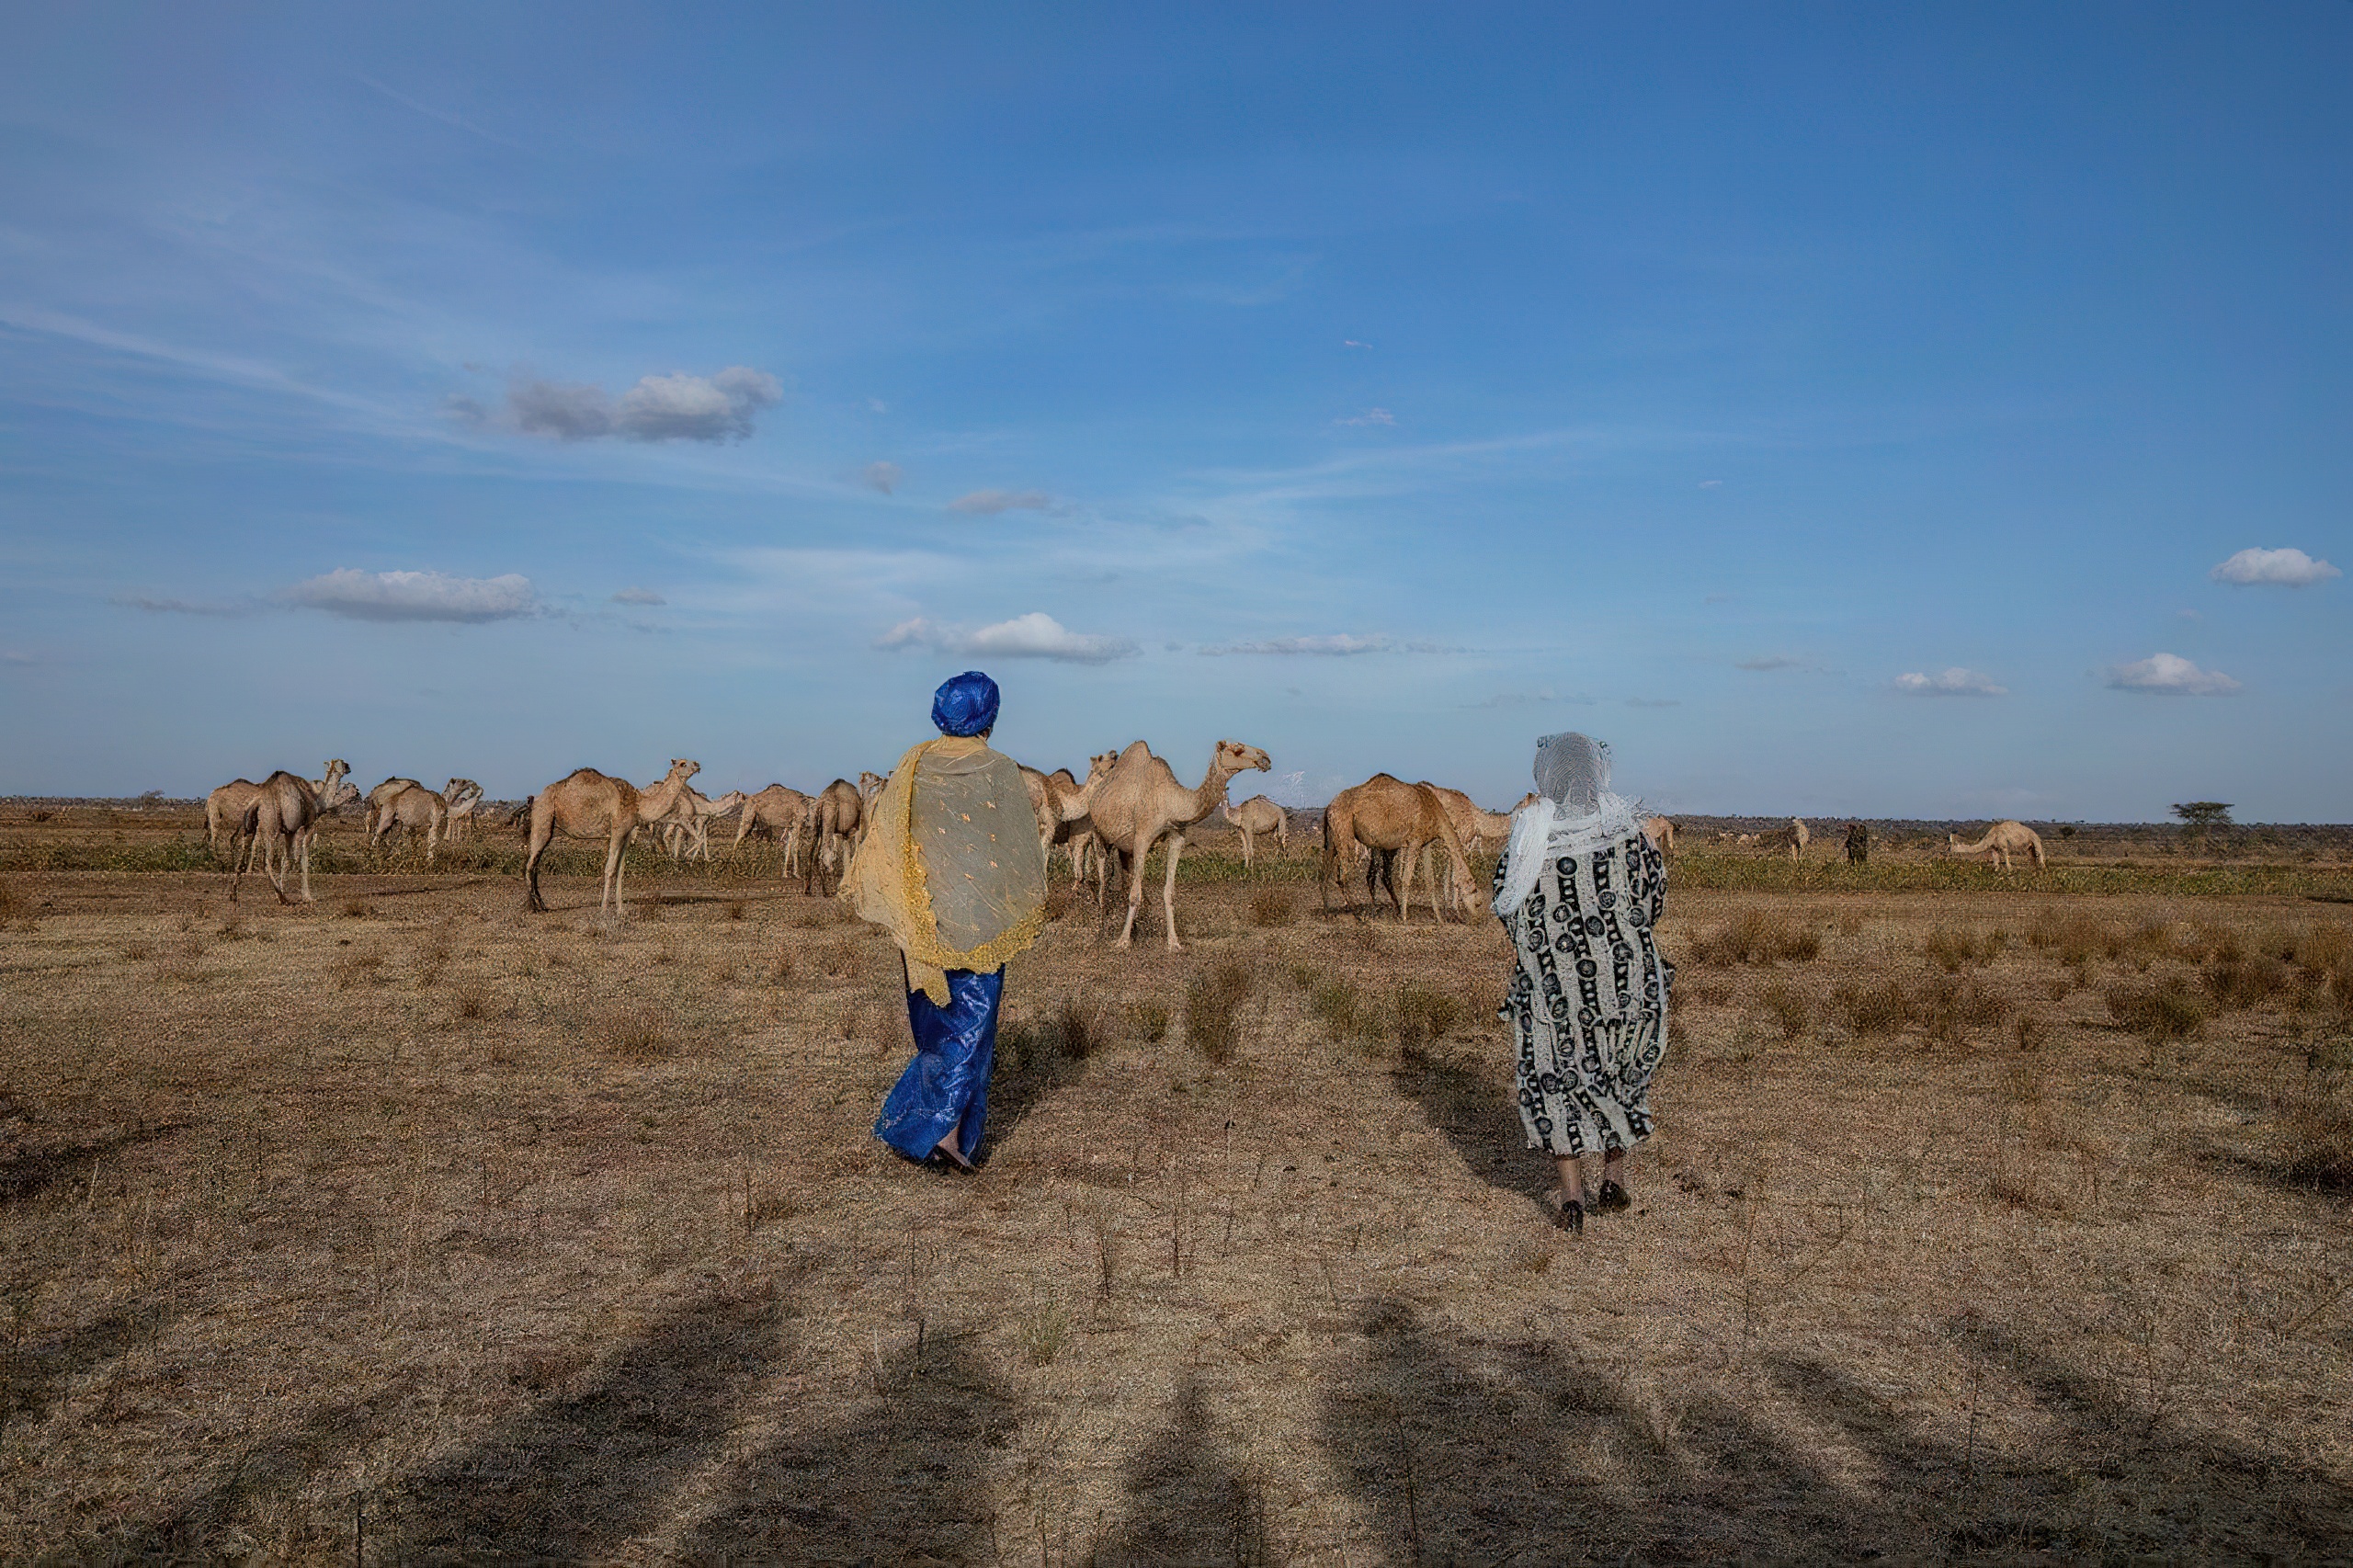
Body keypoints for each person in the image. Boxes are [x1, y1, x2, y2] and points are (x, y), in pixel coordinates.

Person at [846, 671, 1048, 1174]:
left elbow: (888, 839)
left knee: (938, 1029)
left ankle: (918, 1125)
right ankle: (945, 1135)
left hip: (922, 919)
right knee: (969, 1030)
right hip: (979, 922)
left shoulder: (912, 765)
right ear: (990, 716)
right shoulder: (1000, 770)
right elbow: (1017, 849)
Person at [1491, 733, 1674, 1233]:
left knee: (1556, 1077)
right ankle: (1614, 1174)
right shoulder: (1628, 832)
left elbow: (1508, 907)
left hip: (1554, 986)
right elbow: (1653, 902)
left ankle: (1571, 1196)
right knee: (1619, 1070)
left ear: (1544, 775)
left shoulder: (1529, 836)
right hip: (1624, 979)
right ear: (1598, 773)